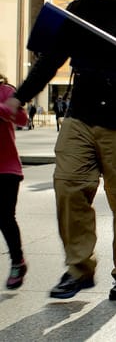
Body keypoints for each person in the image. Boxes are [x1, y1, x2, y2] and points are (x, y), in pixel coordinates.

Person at [6, 0, 116, 301]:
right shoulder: (79, 8)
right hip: (81, 116)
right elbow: (51, 59)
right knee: (67, 186)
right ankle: (79, 267)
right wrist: (20, 96)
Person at [0, 73, 28, 289]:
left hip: (6, 169)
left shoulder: (6, 91)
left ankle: (17, 261)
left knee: (5, 217)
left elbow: (22, 119)